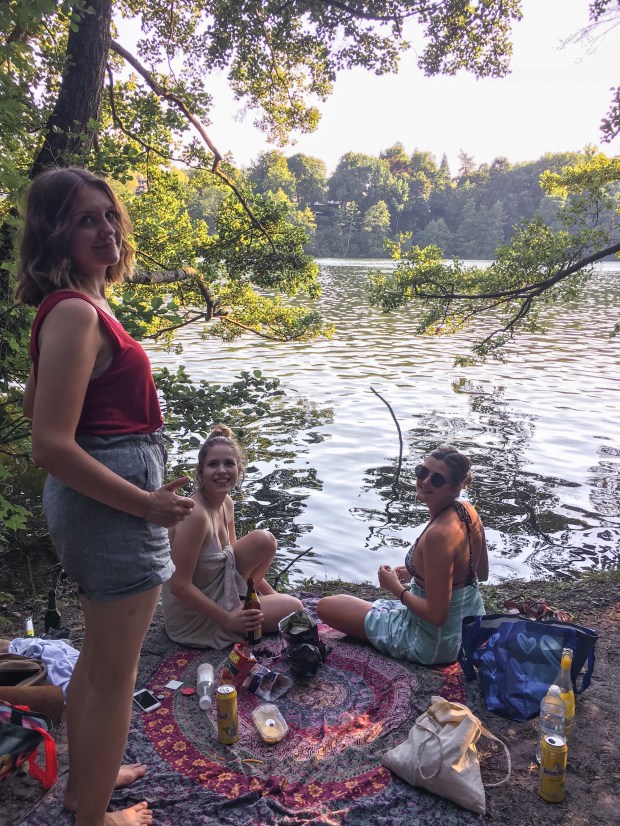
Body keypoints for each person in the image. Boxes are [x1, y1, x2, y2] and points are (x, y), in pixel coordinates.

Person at [16, 166, 195, 826]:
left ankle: (88, 776)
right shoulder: (72, 313)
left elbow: (39, 402)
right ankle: (92, 815)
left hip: (102, 501)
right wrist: (146, 504)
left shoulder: (73, 308)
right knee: (115, 674)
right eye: (85, 219)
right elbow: (50, 445)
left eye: (109, 216)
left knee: (97, 662)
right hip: (113, 505)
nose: (106, 229)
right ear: (52, 233)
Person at [317, 444, 488, 665]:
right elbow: (480, 573)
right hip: (471, 629)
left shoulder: (438, 535)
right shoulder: (468, 511)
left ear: (455, 488)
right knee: (348, 606)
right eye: (422, 471)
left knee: (327, 606)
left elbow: (437, 616)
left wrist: (396, 589)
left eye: (437, 479)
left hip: (434, 643)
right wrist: (419, 573)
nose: (425, 481)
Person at [162, 424, 303, 648]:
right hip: (196, 617)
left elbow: (232, 563)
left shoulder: (226, 503)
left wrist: (269, 595)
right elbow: (178, 585)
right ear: (200, 472)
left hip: (225, 589)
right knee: (294, 607)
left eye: (229, 463)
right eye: (212, 464)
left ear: (239, 469)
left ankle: (246, 605)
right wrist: (227, 619)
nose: (221, 471)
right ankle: (238, 613)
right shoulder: (195, 516)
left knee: (264, 540)